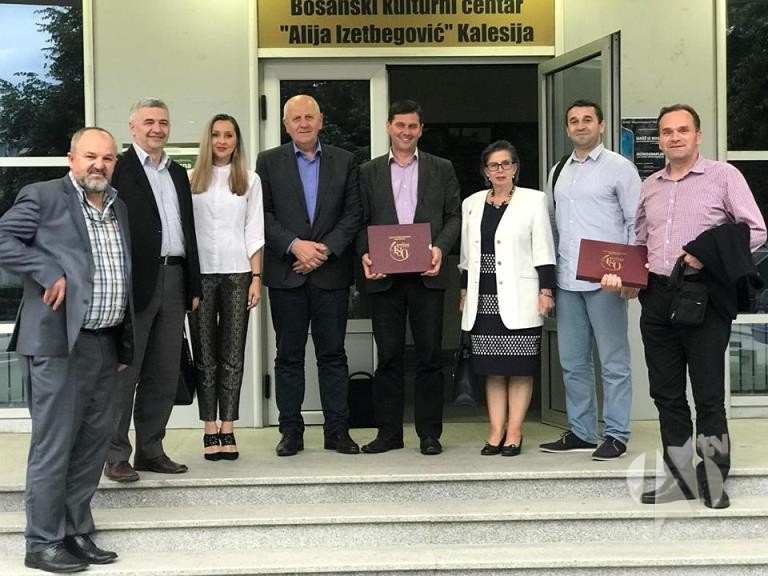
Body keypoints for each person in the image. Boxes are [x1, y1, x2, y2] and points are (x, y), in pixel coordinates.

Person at [603, 104, 766, 509]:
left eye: (682, 130)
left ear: (698, 136)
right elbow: (640, 242)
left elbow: (756, 230)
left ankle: (713, 479)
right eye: (667, 131)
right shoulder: (650, 186)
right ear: (659, 140)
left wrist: (706, 254)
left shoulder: (723, 176)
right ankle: (679, 478)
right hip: (657, 297)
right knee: (667, 395)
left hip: (704, 295)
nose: (674, 137)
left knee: (708, 395)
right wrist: (626, 278)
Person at [0, 128, 132, 572]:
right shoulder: (43, 196)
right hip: (58, 342)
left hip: (104, 341)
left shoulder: (117, 206)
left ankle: (75, 530)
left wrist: (123, 343)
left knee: (93, 445)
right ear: (72, 158)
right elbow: (3, 240)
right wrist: (45, 268)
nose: (99, 164)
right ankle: (42, 542)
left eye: (107, 158)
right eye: (90, 156)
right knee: (54, 445)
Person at [256, 94, 362, 457]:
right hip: (286, 274)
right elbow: (261, 214)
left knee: (333, 356)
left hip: (331, 274)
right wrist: (294, 245)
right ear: (285, 125)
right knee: (288, 357)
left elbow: (354, 213)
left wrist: (324, 250)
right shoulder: (268, 162)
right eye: (296, 118)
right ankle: (291, 432)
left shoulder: (345, 161)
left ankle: (337, 431)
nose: (303, 123)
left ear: (321, 120)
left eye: (309, 117)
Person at [105, 98, 202, 482]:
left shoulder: (177, 172)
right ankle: (115, 455)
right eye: (149, 122)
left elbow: (187, 229)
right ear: (133, 128)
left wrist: (193, 281)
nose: (157, 128)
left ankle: (151, 449)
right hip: (134, 282)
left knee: (163, 371)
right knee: (125, 372)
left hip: (175, 277)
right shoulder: (119, 169)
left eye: (163, 122)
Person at [539, 99, 641, 461]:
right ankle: (582, 432)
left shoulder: (620, 168)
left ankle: (616, 434)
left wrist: (631, 275)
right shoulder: (558, 171)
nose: (580, 126)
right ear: (567, 129)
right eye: (573, 121)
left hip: (607, 282)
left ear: (601, 125)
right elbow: (551, 225)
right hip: (568, 281)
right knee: (573, 362)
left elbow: (635, 222)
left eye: (587, 119)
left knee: (614, 363)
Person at [358, 99, 462, 456]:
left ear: (421, 130)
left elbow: (454, 215)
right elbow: (358, 220)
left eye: (412, 126)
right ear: (388, 126)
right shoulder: (367, 171)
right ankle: (388, 433)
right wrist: (366, 253)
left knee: (430, 356)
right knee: (388, 357)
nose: (406, 132)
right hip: (384, 277)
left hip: (426, 274)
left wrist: (440, 249)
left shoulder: (441, 168)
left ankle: (429, 434)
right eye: (400, 125)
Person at [459, 140, 555, 456]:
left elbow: (544, 249)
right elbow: (466, 255)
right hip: (483, 296)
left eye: (506, 164)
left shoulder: (533, 200)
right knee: (493, 369)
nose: (500, 170)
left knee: (520, 367)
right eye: (493, 165)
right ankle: (495, 431)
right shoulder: (472, 203)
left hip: (520, 295)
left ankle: (514, 432)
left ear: (515, 167)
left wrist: (546, 290)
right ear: (485, 171)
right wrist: (463, 290)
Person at [188, 114, 264, 461]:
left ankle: (228, 426)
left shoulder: (249, 179)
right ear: (209, 139)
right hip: (201, 276)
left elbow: (254, 230)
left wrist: (256, 278)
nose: (222, 141)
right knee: (205, 356)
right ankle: (209, 427)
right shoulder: (191, 179)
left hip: (238, 274)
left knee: (233, 355)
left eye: (228, 135)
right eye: (216, 134)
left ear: (237, 140)